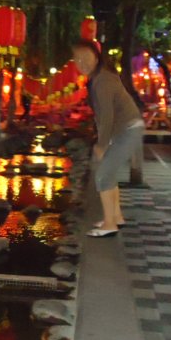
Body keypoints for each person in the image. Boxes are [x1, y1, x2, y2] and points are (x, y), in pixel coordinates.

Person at [71, 39, 144, 238]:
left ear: (97, 57)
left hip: (127, 129)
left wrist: (102, 144)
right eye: (78, 59)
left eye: (86, 57)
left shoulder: (102, 80)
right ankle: (116, 217)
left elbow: (107, 116)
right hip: (127, 129)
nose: (82, 63)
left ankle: (109, 224)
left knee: (103, 175)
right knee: (108, 174)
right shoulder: (100, 78)